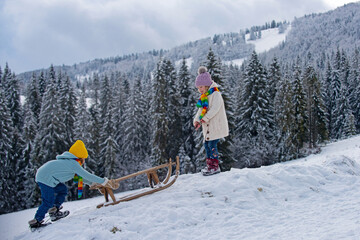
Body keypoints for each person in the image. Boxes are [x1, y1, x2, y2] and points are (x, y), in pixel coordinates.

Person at [28, 140, 119, 229]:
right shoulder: (73, 164)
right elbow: (86, 175)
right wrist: (104, 181)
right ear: (80, 158)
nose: (83, 162)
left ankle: (54, 211)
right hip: (45, 178)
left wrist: (94, 184)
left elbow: (80, 178)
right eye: (83, 160)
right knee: (48, 200)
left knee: (62, 190)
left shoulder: (69, 162)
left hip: (47, 177)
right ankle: (37, 221)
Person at [193, 66, 229, 176]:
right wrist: (197, 120)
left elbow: (215, 109)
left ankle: (215, 167)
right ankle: (210, 165)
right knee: (207, 145)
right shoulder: (205, 96)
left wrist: (205, 118)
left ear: (207, 85)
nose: (200, 90)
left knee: (212, 145)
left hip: (215, 126)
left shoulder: (215, 94)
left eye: (201, 87)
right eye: (198, 88)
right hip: (208, 128)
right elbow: (200, 110)